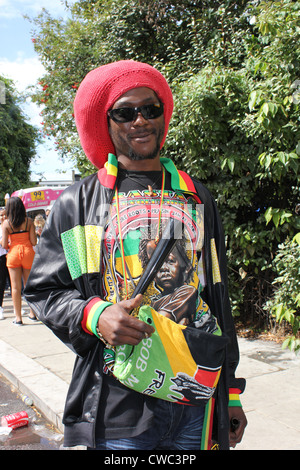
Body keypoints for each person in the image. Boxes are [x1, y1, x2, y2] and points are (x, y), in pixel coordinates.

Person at [25, 60, 247, 450]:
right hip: (119, 404)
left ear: (163, 117)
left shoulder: (196, 198)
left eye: (150, 109)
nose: (140, 120)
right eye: (125, 113)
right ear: (107, 124)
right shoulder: (79, 203)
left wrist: (230, 392)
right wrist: (93, 314)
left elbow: (217, 297)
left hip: (194, 395)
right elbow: (44, 291)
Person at [1, 197, 37, 325]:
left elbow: (4, 245)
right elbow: (34, 242)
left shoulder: (6, 223)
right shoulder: (29, 221)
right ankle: (33, 314)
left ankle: (18, 318)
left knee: (15, 287)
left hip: (14, 254)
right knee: (29, 285)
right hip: (28, 253)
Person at [0, 207, 9, 320]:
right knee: (1, 282)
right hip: (1, 256)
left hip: (11, 255)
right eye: (1, 215)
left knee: (13, 283)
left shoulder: (10, 226)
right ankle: (0, 307)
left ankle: (19, 308)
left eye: (5, 215)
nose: (3, 217)